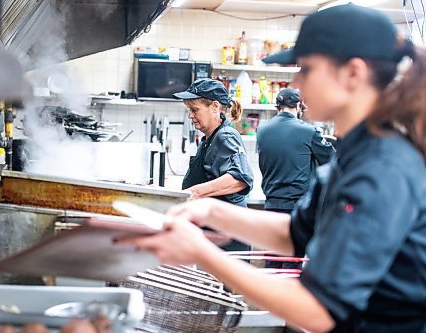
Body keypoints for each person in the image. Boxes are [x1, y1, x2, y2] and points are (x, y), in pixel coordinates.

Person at [119, 4, 426, 333]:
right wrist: (209, 211)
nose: (295, 83)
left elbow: (319, 310)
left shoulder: (382, 167)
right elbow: (296, 233)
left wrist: (201, 252)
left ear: (353, 73)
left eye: (306, 70)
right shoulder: (356, 150)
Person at [173, 78, 254, 251]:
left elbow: (239, 179)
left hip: (228, 235)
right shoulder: (210, 138)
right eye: (189, 110)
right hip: (217, 231)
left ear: (215, 107)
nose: (190, 115)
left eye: (194, 109)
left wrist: (194, 192)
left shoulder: (225, 136)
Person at [257, 87, 334, 214]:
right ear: (298, 106)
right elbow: (332, 159)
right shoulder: (309, 131)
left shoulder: (261, 130)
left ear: (278, 107)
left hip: (271, 205)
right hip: (299, 207)